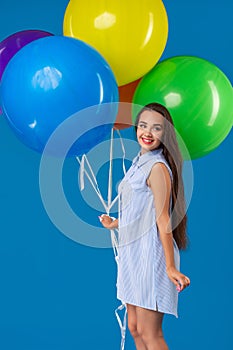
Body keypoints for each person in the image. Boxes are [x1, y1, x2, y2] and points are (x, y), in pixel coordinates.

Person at [100, 102, 190, 350]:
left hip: (151, 255)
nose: (147, 132)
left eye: (156, 128)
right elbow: (141, 212)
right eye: (143, 125)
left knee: (151, 333)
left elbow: (162, 219)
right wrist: (115, 223)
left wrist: (170, 267)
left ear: (165, 133)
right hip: (133, 253)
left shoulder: (157, 167)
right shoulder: (139, 161)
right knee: (135, 328)